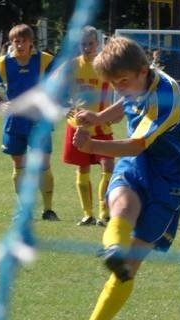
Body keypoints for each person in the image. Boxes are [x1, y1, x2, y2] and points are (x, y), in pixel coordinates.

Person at [47, 36, 180, 320]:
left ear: (144, 70)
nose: (119, 89)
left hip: (169, 182)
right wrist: (96, 120)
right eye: (114, 84)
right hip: (137, 168)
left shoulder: (165, 95)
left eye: (123, 83)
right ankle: (113, 249)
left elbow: (135, 145)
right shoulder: (131, 80)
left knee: (130, 268)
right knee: (121, 208)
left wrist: (92, 145)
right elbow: (124, 107)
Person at [0, 24, 59, 221]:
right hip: (15, 121)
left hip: (38, 120)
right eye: (16, 40)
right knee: (19, 165)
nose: (20, 44)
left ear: (31, 42)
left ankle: (48, 209)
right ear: (12, 42)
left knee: (43, 164)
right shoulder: (3, 63)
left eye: (24, 40)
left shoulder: (45, 59)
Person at [62, 26, 115, 227]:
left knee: (108, 167)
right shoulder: (71, 66)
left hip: (102, 125)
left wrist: (117, 113)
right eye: (83, 44)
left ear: (98, 44)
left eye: (90, 43)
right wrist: (63, 107)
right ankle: (87, 214)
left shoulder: (107, 65)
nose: (86, 47)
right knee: (82, 168)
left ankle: (105, 213)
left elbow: (121, 89)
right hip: (78, 126)